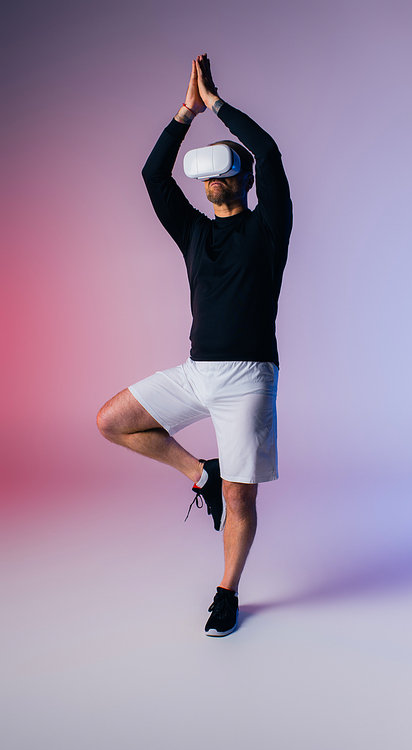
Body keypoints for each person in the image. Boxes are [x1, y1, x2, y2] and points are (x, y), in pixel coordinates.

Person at [96, 54, 292, 636]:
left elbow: (272, 152)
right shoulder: (195, 233)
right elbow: (154, 176)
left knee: (241, 498)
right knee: (112, 420)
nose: (209, 182)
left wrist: (218, 106)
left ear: (242, 178)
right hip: (196, 371)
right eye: (204, 176)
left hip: (249, 379)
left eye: (221, 173)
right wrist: (185, 112)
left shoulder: (268, 227)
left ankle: (226, 591)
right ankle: (197, 473)